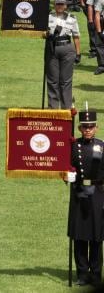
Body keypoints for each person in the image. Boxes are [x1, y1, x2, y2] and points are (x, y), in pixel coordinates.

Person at [68, 108, 104, 286]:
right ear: (80, 129)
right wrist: (67, 176)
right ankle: (82, 273)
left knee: (96, 237)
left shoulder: (102, 146)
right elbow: (66, 167)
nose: (88, 129)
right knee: (80, 236)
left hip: (97, 195)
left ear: (96, 128)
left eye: (91, 126)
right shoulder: (74, 146)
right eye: (84, 127)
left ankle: (96, 274)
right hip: (79, 194)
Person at [45, 0, 80, 109]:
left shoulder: (72, 18)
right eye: (57, 4)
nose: (59, 6)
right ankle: (53, 108)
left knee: (66, 81)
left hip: (67, 48)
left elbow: (76, 36)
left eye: (61, 4)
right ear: (54, 5)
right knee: (52, 80)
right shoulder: (48, 16)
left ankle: (66, 108)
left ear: (65, 5)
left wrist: (78, 53)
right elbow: (41, 33)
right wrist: (46, 35)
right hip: (52, 48)